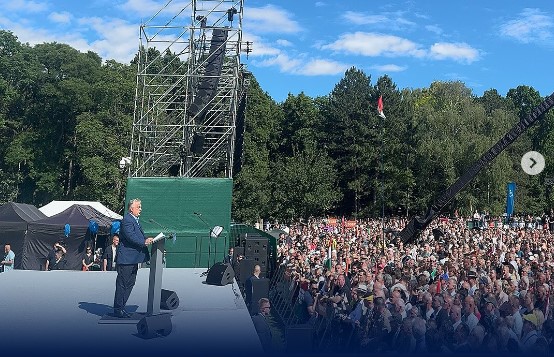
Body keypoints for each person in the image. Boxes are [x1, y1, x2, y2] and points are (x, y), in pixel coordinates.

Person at [113, 198, 154, 318]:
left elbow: (138, 235)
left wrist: (148, 239)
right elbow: (130, 236)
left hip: (133, 259)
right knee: (122, 284)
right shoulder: (127, 220)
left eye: (140, 207)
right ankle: (118, 308)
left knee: (130, 283)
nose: (140, 209)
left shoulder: (135, 220)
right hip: (126, 259)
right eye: (138, 207)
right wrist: (144, 242)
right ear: (131, 208)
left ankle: (122, 307)